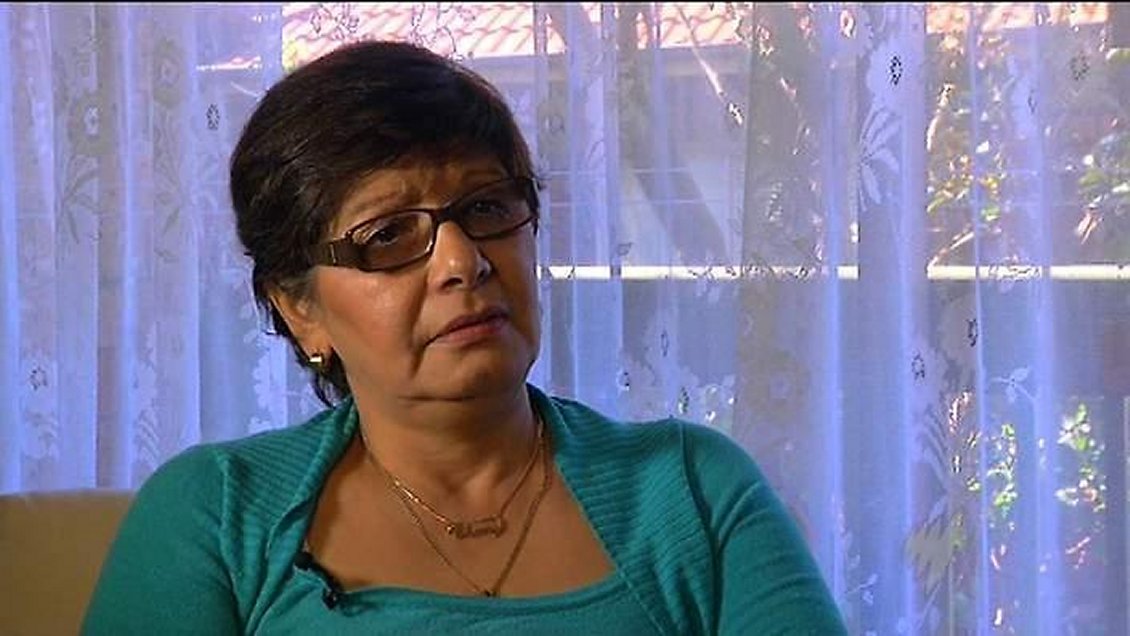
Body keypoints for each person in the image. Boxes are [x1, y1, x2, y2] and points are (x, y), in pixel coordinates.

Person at [82, 40, 847, 635]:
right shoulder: (218, 517)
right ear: (298, 307)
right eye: (388, 234)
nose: (464, 261)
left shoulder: (692, 492)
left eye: (487, 208)